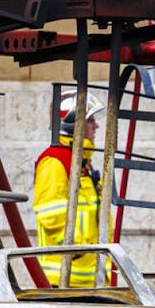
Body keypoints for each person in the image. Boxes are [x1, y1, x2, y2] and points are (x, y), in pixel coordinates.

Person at [33, 91, 106, 287]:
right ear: (72, 123)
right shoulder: (55, 161)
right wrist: (78, 248)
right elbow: (50, 213)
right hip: (64, 280)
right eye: (90, 120)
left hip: (87, 279)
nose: (96, 125)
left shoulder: (81, 162)